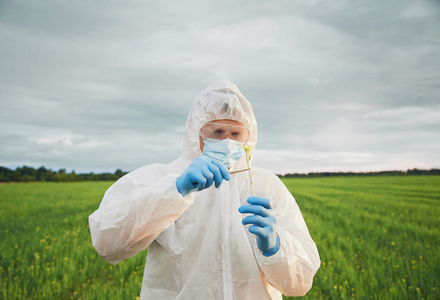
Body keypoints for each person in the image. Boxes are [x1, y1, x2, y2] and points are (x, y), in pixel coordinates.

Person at [89, 79, 320, 299]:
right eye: (216, 132)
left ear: (248, 139)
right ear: (195, 132)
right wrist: (173, 191)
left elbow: (301, 282)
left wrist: (275, 247)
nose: (227, 141)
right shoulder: (163, 177)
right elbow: (106, 241)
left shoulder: (266, 185)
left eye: (236, 133)